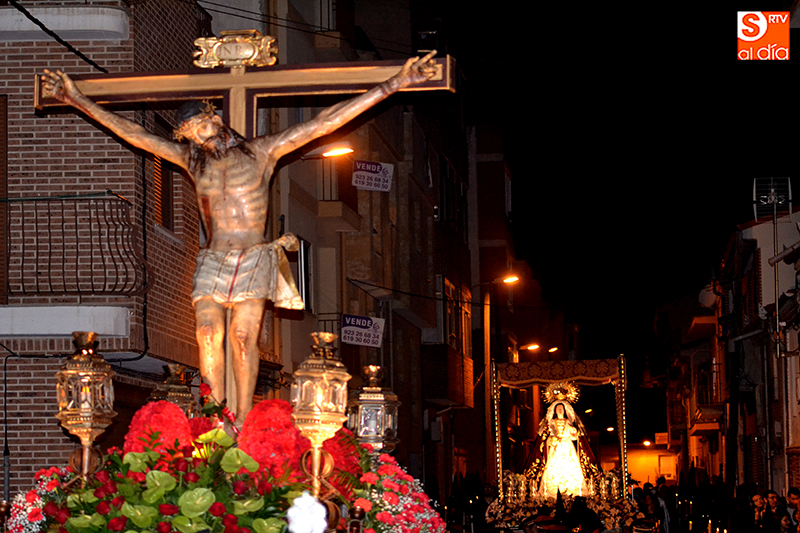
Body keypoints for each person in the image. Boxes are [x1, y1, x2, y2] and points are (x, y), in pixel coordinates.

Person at [40, 51, 438, 426]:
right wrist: (78, 101)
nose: (199, 135)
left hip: (253, 256)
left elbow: (322, 123)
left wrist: (392, 85)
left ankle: (243, 420)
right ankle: (216, 414)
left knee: (244, 338)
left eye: (202, 125)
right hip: (213, 259)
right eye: (192, 133)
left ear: (215, 118)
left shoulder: (262, 152)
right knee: (209, 334)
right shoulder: (193, 162)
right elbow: (136, 135)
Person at [526, 400, 599, 500]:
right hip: (556, 448)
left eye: (561, 409)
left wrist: (573, 433)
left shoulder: (568, 422)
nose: (560, 410)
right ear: (555, 411)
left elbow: (574, 438)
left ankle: (573, 492)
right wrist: (553, 440)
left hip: (567, 447)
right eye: (558, 409)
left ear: (564, 411)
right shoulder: (551, 423)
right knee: (553, 469)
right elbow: (546, 439)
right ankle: (552, 493)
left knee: (571, 469)